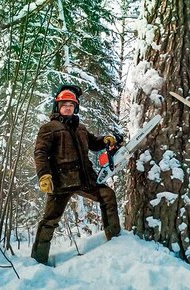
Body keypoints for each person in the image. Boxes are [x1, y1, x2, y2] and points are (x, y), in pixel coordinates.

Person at [32, 84, 123, 265]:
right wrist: (44, 175)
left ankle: (115, 241)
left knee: (107, 195)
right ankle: (38, 261)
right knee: (50, 220)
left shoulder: (80, 128)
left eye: (71, 105)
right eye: (64, 104)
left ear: (75, 108)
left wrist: (105, 139)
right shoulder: (49, 128)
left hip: (84, 180)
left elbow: (94, 143)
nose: (68, 107)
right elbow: (40, 152)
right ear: (58, 106)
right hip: (60, 182)